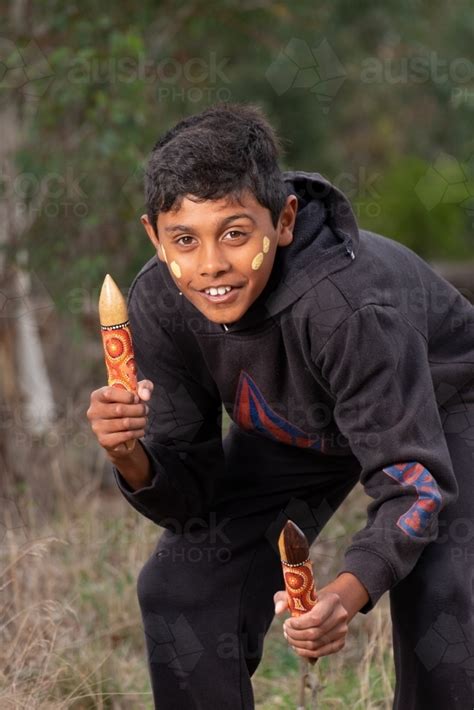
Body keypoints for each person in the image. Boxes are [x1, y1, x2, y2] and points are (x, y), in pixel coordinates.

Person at [87, 103, 474, 709]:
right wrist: (129, 454)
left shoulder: (348, 307)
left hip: (442, 396)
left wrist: (344, 597)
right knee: (181, 586)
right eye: (184, 239)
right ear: (153, 236)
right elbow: (192, 499)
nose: (211, 264)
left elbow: (416, 486)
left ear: (284, 220)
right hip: (302, 425)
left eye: (235, 234)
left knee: (445, 588)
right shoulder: (159, 306)